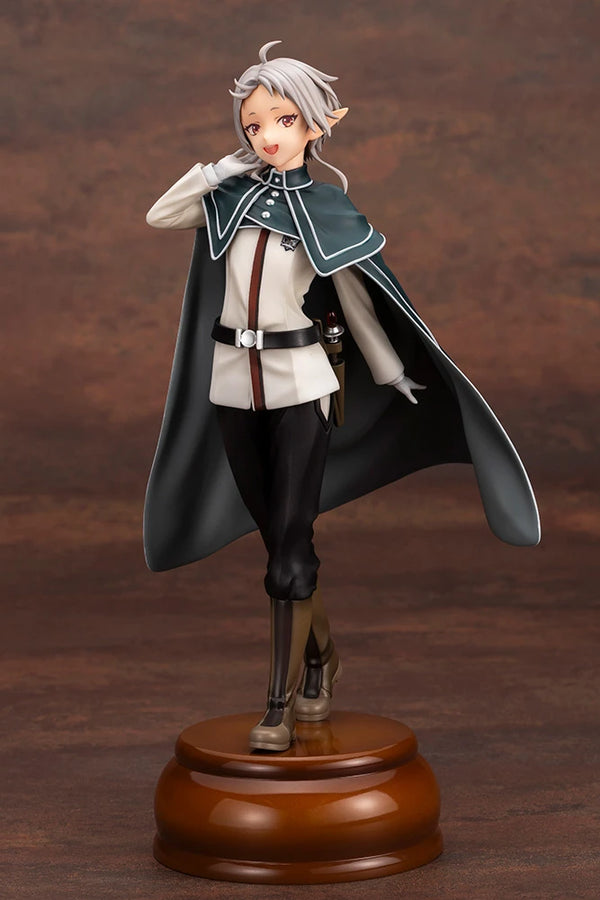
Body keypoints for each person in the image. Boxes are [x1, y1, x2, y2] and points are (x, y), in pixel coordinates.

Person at [143, 41, 540, 752]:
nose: (268, 135)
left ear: (317, 124)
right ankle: (323, 654)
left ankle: (278, 706)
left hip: (302, 386)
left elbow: (357, 302)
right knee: (279, 542)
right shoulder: (229, 199)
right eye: (254, 124)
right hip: (233, 385)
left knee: (289, 550)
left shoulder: (328, 209)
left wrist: (390, 372)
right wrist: (217, 170)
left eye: (284, 120)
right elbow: (161, 216)